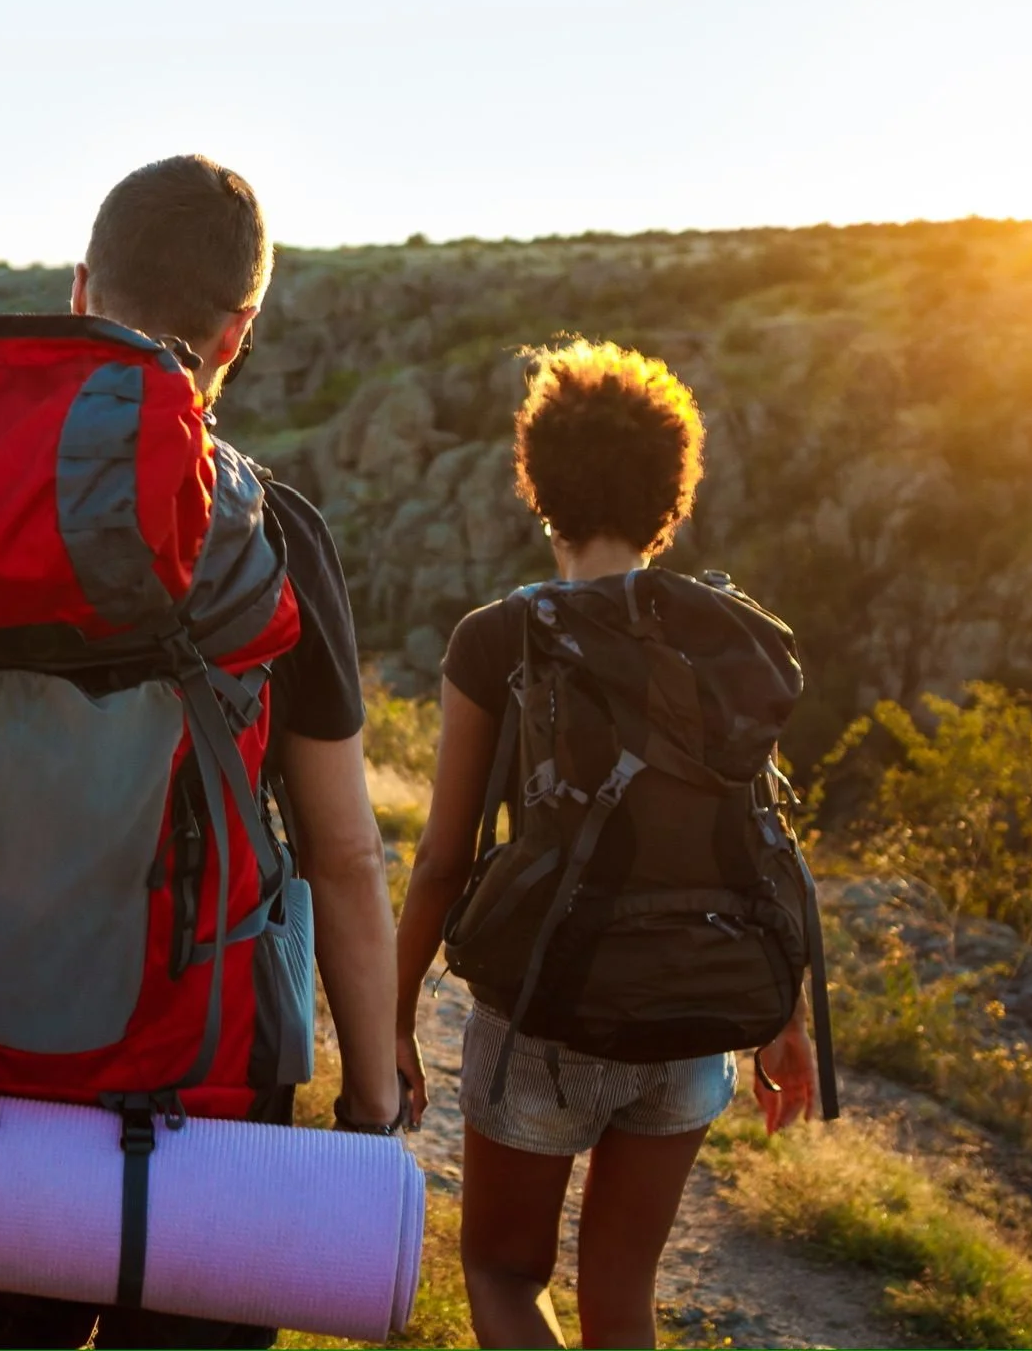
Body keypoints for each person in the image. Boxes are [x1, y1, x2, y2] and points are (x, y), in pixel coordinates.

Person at [0, 155, 404, 1350]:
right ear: (239, 329)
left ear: (76, 291)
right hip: (209, 1089)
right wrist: (370, 1100)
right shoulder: (275, 536)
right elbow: (346, 852)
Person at [392, 341, 819, 1350]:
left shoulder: (497, 640)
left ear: (538, 483)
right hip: (693, 1022)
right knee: (622, 1295)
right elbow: (754, 834)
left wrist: (393, 1019)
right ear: (673, 490)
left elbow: (443, 862)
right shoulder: (729, 637)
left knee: (502, 1274)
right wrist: (784, 1016)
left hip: (546, 1015)